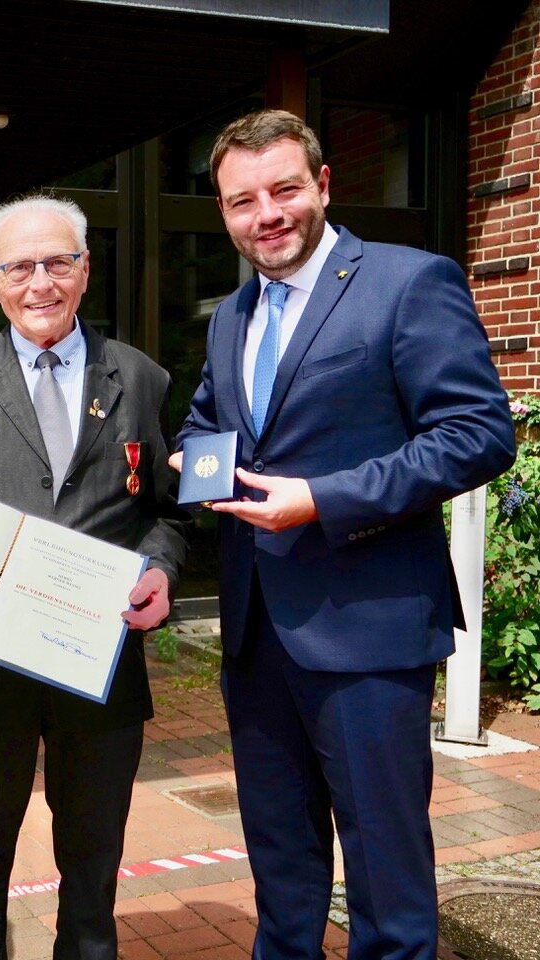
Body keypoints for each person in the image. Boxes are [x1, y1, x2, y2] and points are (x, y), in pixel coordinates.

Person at [174, 109, 516, 959]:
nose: (267, 215)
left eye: (284, 189)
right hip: (256, 635)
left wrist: (323, 499)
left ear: (323, 185)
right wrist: (190, 463)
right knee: (281, 869)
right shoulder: (232, 314)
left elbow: (476, 434)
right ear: (224, 212)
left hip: (368, 633)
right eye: (243, 200)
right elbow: (210, 423)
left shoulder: (409, 281)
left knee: (386, 881)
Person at [0, 195, 191, 960]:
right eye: (20, 267)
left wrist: (160, 570)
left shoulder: (140, 377)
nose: (41, 283)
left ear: (85, 270)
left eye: (58, 262)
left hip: (101, 665)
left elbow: (166, 511)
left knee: (93, 869)